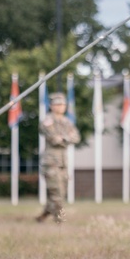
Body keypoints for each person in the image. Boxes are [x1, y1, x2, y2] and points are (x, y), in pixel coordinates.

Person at [36, 92, 80, 223]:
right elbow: (54, 139)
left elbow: (76, 137)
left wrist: (63, 138)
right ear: (52, 106)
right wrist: (66, 138)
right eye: (58, 104)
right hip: (51, 161)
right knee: (57, 192)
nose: (61, 107)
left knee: (61, 191)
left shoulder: (67, 121)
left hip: (63, 162)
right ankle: (60, 220)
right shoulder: (47, 121)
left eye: (63, 104)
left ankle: (43, 216)